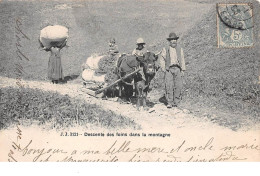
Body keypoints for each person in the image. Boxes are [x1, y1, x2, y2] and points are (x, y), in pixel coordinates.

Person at [159, 32, 186, 108]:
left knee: (178, 85)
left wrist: (183, 70)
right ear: (169, 41)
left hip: (178, 69)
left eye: (175, 39)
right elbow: (162, 59)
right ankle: (170, 102)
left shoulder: (180, 49)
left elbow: (182, 59)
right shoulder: (166, 49)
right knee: (169, 85)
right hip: (169, 69)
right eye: (172, 39)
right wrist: (163, 68)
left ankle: (176, 102)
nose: (174, 41)